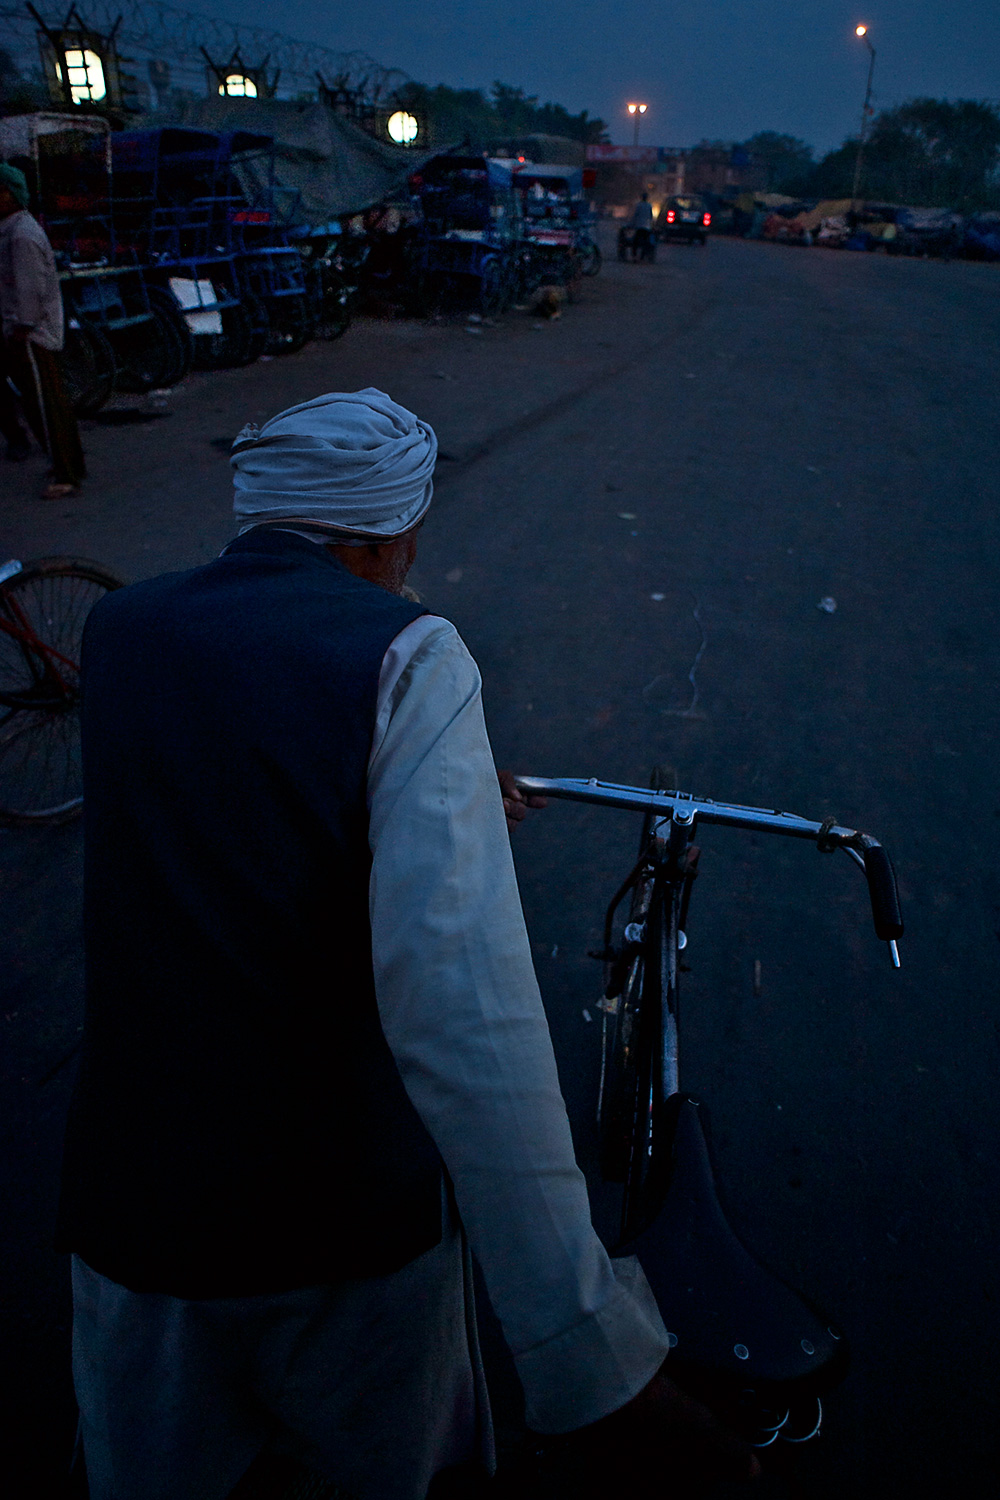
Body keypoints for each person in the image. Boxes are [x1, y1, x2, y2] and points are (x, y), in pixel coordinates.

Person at [56, 389, 757, 1500]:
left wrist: (425, 788)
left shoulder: (124, 628)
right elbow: (464, 1013)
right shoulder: (408, 654)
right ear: (386, 533)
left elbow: (229, 793)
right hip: (335, 1234)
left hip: (130, 1216)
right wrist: (585, 1353)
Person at [0, 162, 85, 498]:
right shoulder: (12, 229)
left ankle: (67, 474)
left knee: (48, 404)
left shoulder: (21, 235)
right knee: (43, 401)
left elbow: (29, 290)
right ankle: (67, 464)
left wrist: (22, 328)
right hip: (25, 329)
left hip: (32, 332)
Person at [630, 191, 654, 263]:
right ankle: (642, 257)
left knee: (635, 242)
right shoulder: (649, 205)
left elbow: (635, 215)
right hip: (647, 227)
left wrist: (632, 224)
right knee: (646, 243)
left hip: (639, 226)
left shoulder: (638, 205)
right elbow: (651, 216)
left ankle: (634, 256)